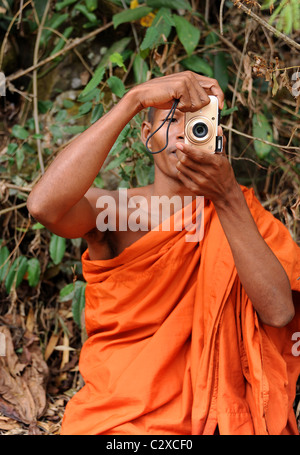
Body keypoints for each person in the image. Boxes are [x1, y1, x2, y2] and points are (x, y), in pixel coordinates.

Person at [27, 71, 300, 435]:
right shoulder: (118, 214)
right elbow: (44, 206)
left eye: (199, 123)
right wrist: (133, 99)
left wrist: (226, 197)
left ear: (218, 135)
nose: (185, 135)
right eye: (171, 121)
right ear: (145, 135)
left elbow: (279, 312)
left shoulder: (242, 215)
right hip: (121, 420)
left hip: (218, 421)